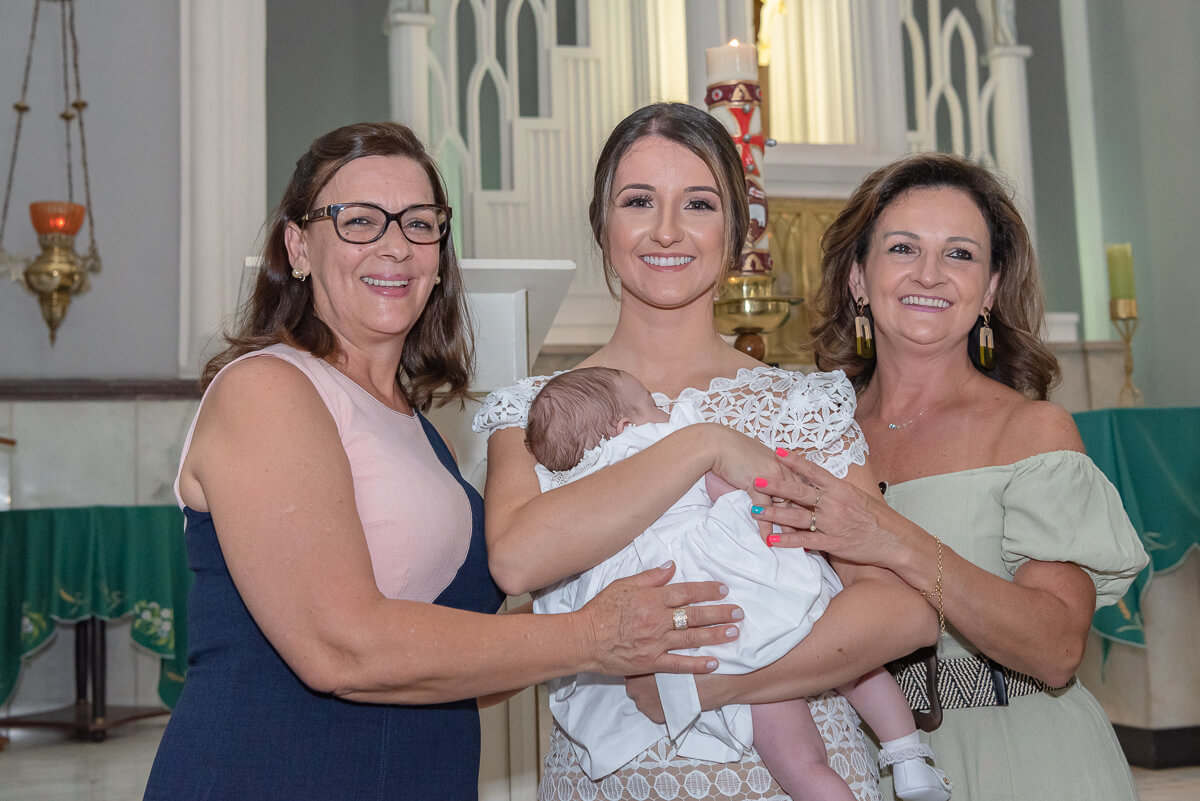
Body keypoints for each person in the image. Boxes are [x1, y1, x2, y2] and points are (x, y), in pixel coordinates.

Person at [142, 121, 748, 801]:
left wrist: (625, 600)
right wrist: (591, 633)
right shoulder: (269, 389)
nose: (395, 246)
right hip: (271, 772)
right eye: (359, 221)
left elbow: (454, 658)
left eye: (419, 223)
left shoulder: (416, 430)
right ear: (298, 245)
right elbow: (339, 646)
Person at [474, 102, 938, 801]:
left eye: (698, 202)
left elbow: (901, 609)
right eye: (638, 201)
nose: (666, 230)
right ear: (603, 223)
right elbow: (518, 558)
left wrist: (718, 683)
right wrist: (703, 445)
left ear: (738, 229)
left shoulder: (804, 404)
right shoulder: (535, 409)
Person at [745, 152, 1149, 800]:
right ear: (858, 276)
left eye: (959, 254)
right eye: (903, 247)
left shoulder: (1031, 432)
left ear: (989, 288)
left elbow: (1056, 648)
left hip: (1024, 757)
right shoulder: (811, 434)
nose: (929, 273)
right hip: (861, 758)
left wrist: (891, 537)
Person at [524, 366, 953, 801]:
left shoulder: (573, 489)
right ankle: (908, 757)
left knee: (796, 757)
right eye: (653, 404)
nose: (665, 408)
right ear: (625, 427)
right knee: (855, 664)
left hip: (705, 637)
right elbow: (730, 491)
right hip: (750, 588)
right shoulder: (668, 444)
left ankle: (822, 789)